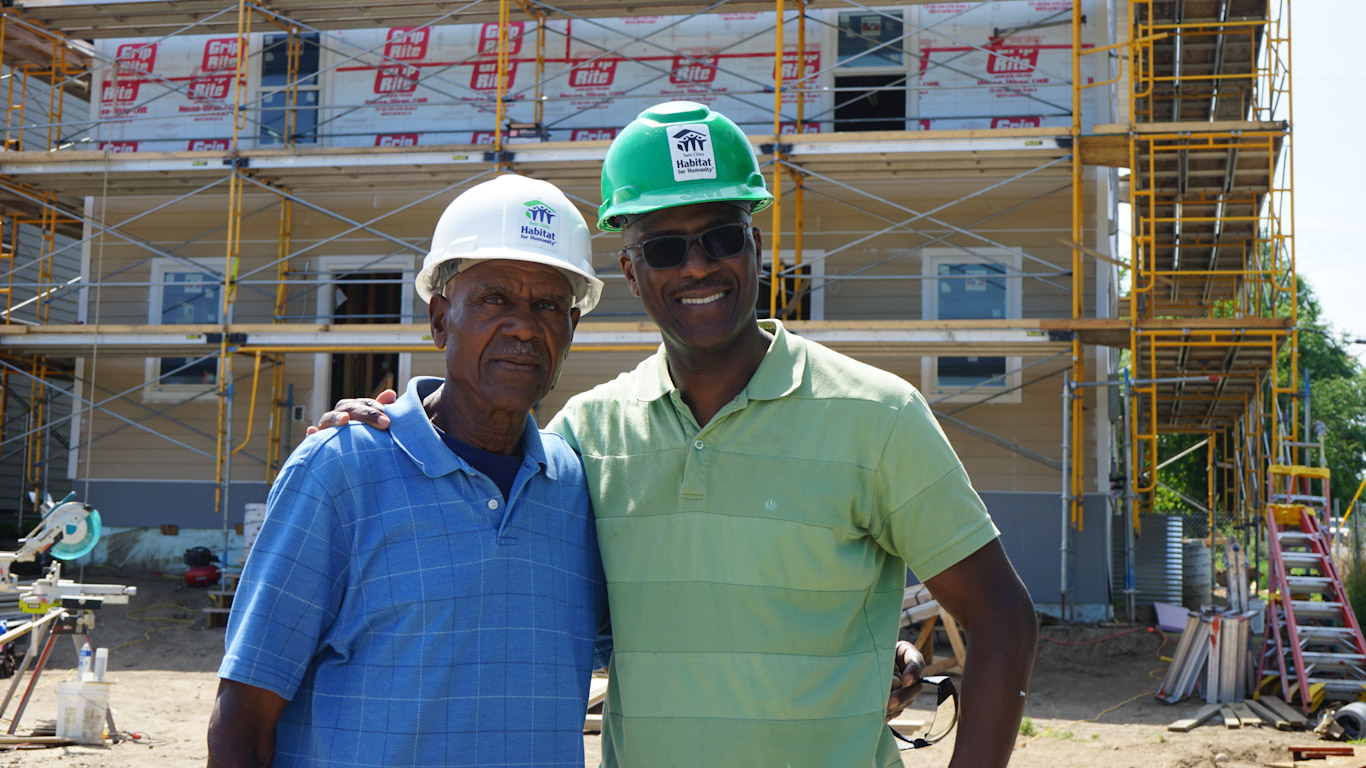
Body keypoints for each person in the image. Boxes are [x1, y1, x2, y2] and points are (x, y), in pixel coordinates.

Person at [319, 102, 1038, 768]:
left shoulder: (877, 414)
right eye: (665, 248)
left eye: (720, 237)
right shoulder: (586, 440)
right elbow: (499, 563)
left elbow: (1001, 616)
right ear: (630, 271)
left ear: (754, 246)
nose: (697, 265)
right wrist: (387, 428)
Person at [208, 175, 609, 768]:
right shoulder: (340, 472)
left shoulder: (576, 488)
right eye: (495, 298)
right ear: (441, 318)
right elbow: (242, 721)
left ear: (571, 329)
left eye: (547, 305)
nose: (524, 326)